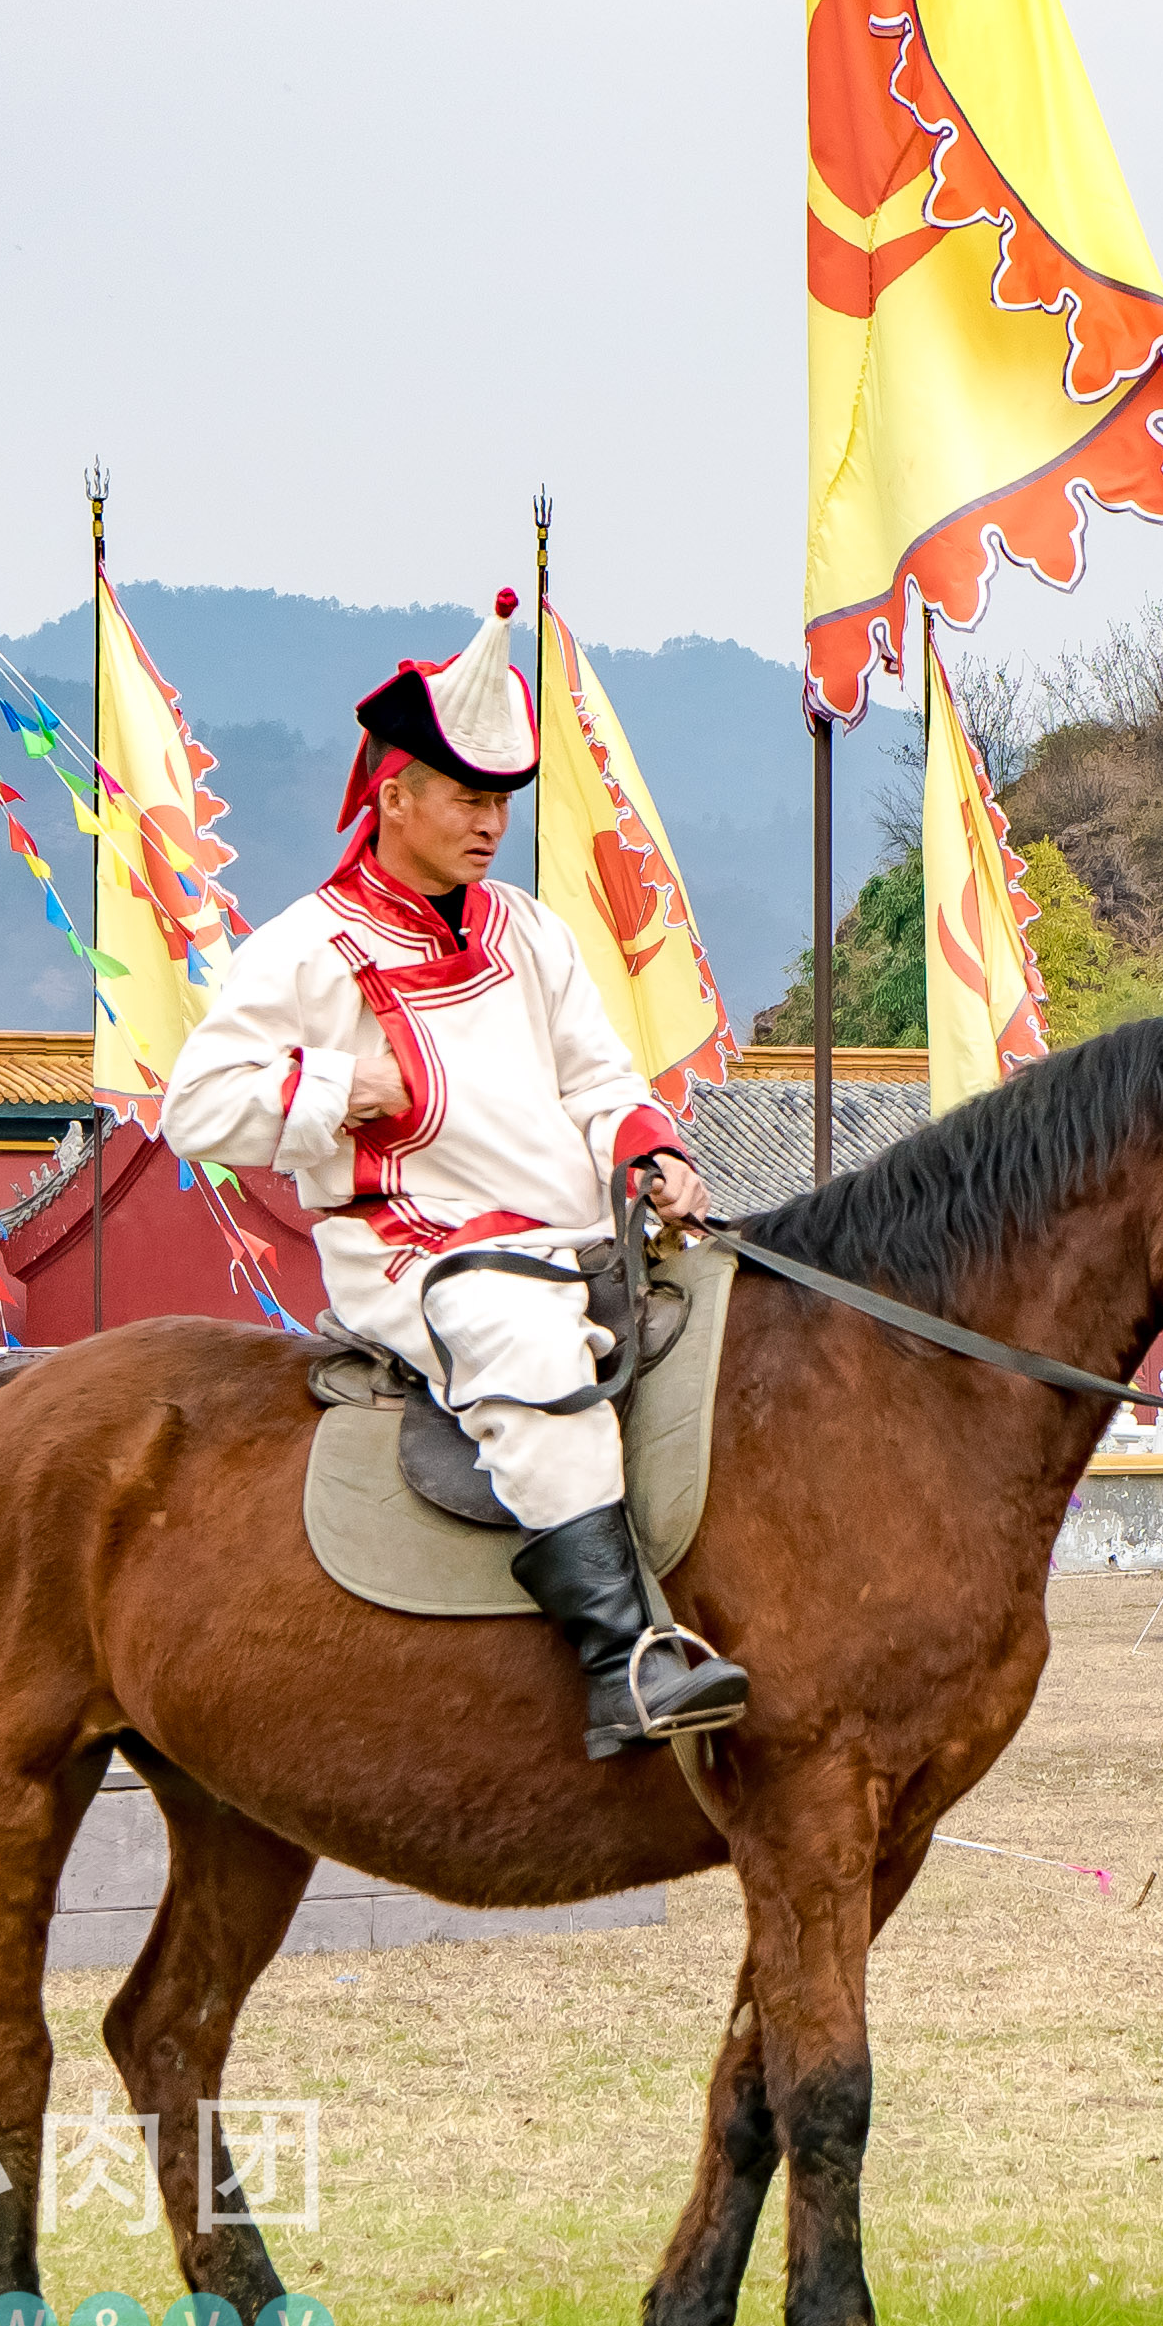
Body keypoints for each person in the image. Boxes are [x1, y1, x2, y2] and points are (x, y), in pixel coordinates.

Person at [158, 593, 746, 1757]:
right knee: (524, 1347)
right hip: (423, 1255)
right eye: (471, 799)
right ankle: (623, 1657)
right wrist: (338, 1089)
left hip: (576, 1230)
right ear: (396, 798)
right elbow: (193, 1108)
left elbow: (598, 1078)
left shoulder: (530, 930)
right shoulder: (306, 948)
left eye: (500, 803)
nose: (491, 823)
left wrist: (654, 1152)